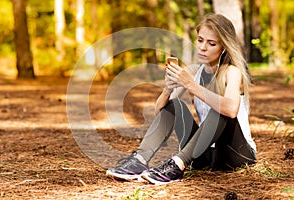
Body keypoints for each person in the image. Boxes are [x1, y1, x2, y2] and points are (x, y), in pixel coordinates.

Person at [106, 13, 257, 185]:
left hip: (236, 154)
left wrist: (191, 86)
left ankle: (177, 164)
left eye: (211, 43)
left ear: (224, 47)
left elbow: (230, 110)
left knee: (222, 110)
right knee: (175, 104)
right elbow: (162, 112)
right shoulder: (194, 71)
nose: (202, 47)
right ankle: (138, 160)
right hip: (205, 155)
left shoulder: (231, 71)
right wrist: (168, 89)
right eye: (200, 40)